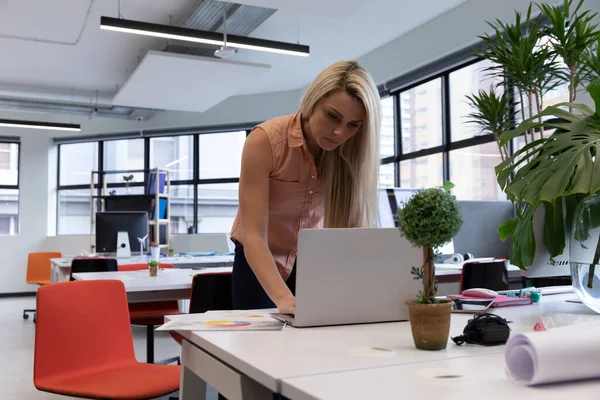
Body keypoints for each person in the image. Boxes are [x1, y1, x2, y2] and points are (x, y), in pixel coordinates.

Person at [230, 60, 381, 314]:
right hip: (258, 260)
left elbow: (353, 233)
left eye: (352, 125)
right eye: (332, 116)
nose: (338, 133)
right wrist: (284, 298)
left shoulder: (351, 155)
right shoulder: (264, 141)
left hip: (312, 264)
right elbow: (254, 235)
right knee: (260, 350)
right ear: (313, 101)